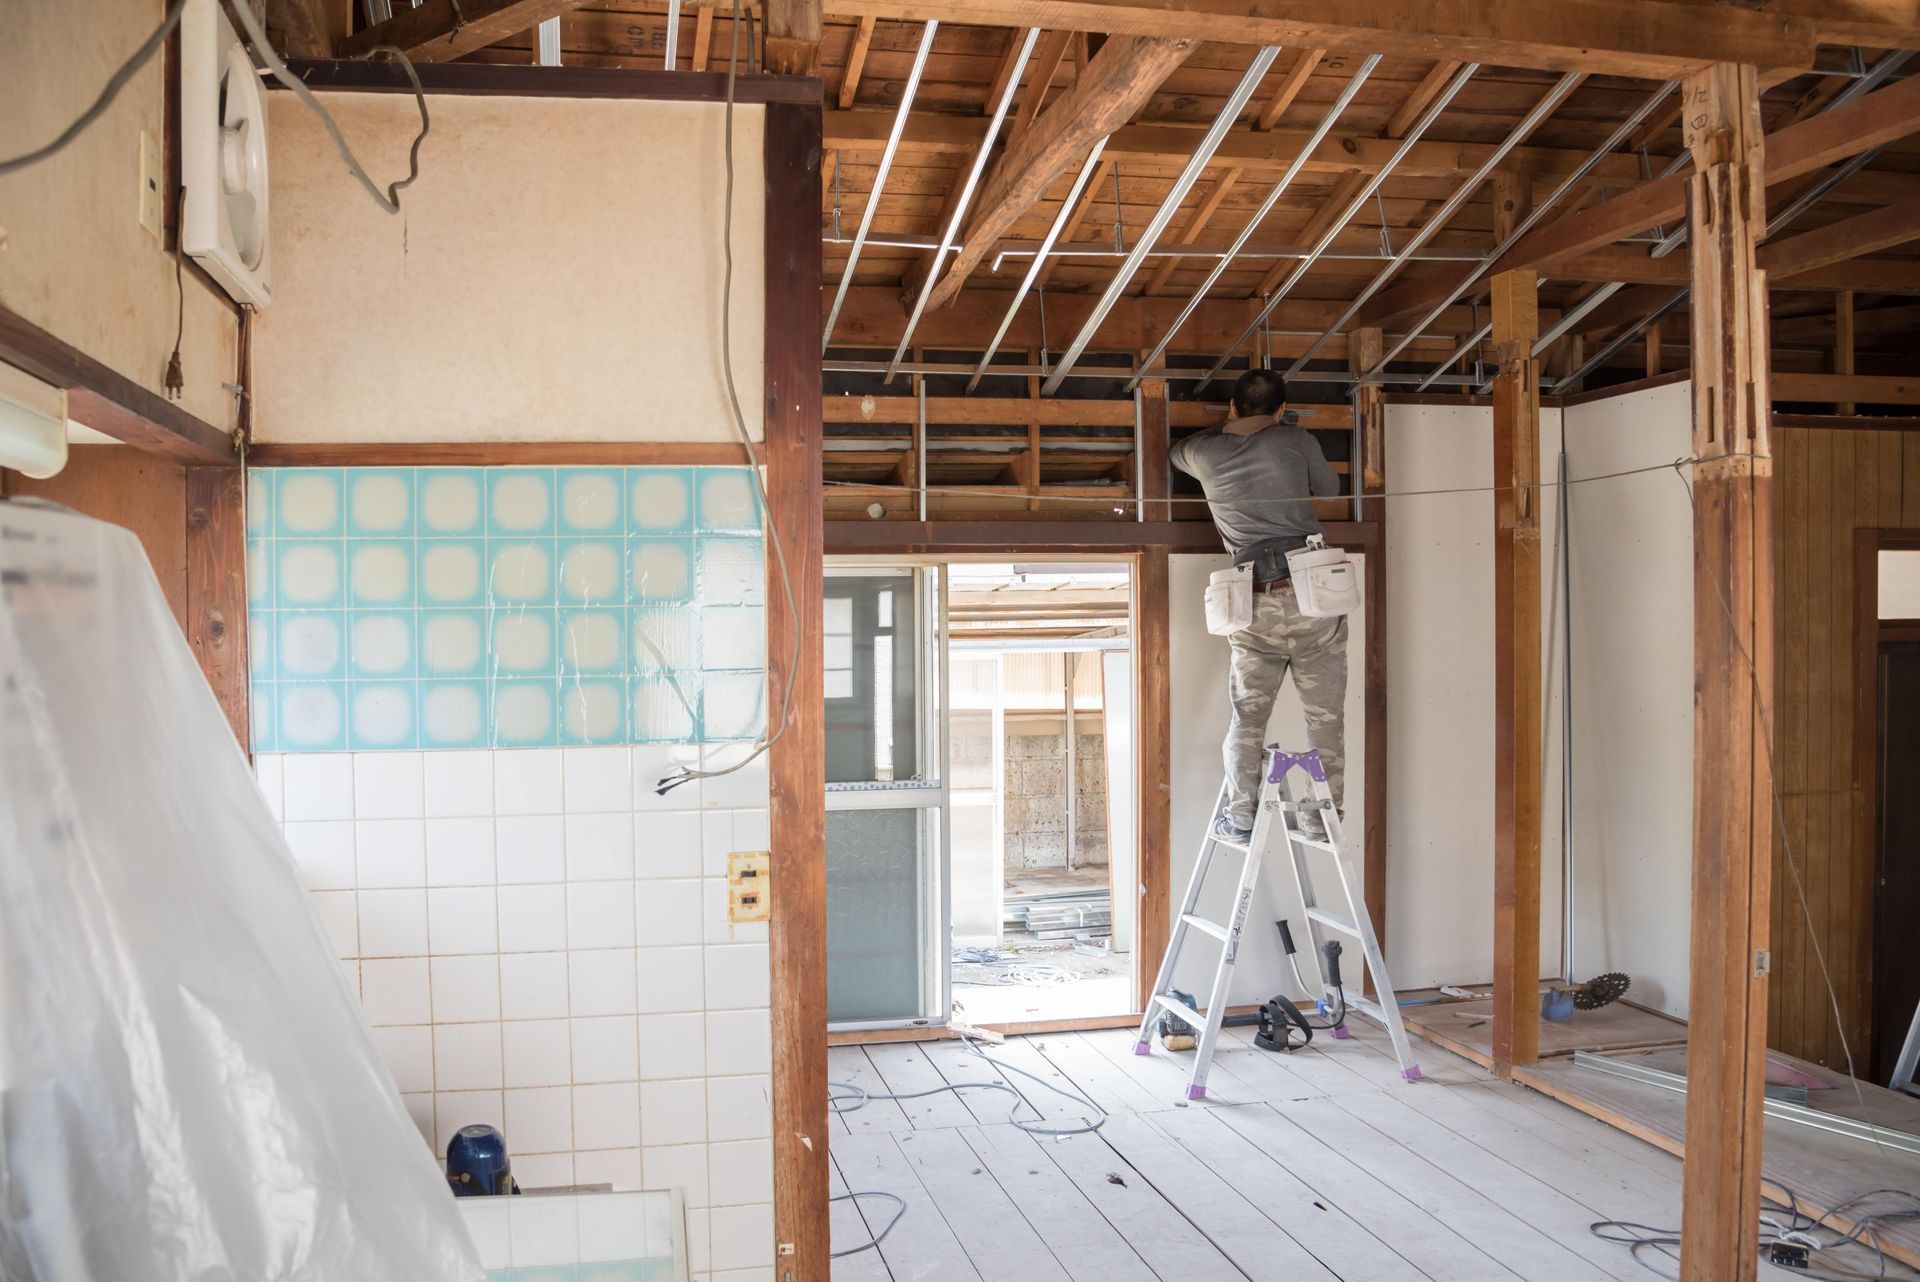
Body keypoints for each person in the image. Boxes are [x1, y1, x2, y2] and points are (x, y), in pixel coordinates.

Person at [1170, 368, 1345, 844]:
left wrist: (1224, 431)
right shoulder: (1296, 441)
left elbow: (1175, 452)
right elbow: (1329, 491)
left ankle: (1242, 817)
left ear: (1231, 406)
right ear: (1281, 410)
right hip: (1313, 595)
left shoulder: (1205, 451)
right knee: (1324, 717)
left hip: (1251, 599)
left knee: (1247, 716)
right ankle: (1320, 821)